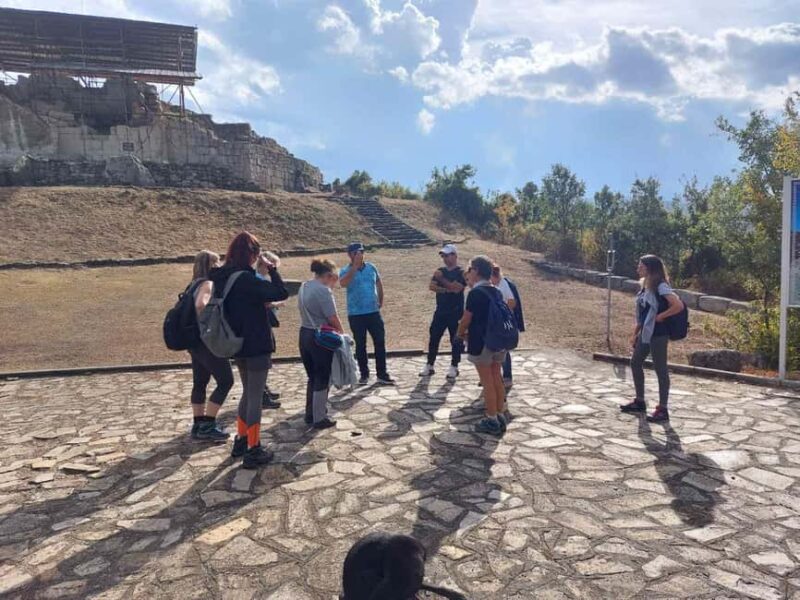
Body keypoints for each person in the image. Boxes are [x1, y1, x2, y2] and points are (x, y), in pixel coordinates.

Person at [208, 231, 288, 468]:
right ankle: (254, 448)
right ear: (252, 254)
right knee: (254, 397)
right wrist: (272, 269)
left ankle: (242, 440)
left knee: (247, 393)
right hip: (256, 343)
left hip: (237, 343)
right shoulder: (247, 279)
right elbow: (280, 292)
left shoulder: (222, 276)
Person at [620, 254, 684, 423]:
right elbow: (643, 313)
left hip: (659, 333)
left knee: (660, 369)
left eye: (641, 266)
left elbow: (678, 305)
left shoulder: (660, 285)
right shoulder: (645, 285)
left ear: (649, 268)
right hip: (646, 332)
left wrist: (661, 316)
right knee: (635, 362)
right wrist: (635, 334)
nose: (638, 269)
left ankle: (663, 409)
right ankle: (640, 401)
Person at [456, 255, 508, 436]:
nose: (467, 274)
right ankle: (500, 414)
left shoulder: (475, 293)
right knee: (496, 377)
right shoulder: (496, 290)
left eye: (469, 270)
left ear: (476, 271)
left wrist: (459, 334)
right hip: (499, 341)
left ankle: (491, 418)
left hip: (482, 342)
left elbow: (466, 318)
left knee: (487, 381)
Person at [188, 250, 233, 442]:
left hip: (194, 342)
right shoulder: (207, 284)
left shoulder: (191, 284)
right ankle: (208, 424)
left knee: (200, 381)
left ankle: (198, 423)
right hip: (207, 341)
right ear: (211, 265)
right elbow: (201, 305)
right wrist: (209, 321)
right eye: (218, 262)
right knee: (226, 380)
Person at [339, 242, 395, 385]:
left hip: (373, 312)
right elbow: (343, 283)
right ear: (350, 254)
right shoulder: (345, 270)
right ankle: (364, 374)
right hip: (356, 313)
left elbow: (378, 283)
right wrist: (354, 268)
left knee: (380, 342)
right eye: (356, 252)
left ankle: (382, 374)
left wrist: (380, 299)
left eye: (361, 252)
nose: (360, 255)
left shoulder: (371, 267)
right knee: (361, 344)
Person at [299, 258, 345, 429]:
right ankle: (319, 417)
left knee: (312, 376)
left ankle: (310, 413)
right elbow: (332, 317)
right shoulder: (323, 291)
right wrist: (342, 332)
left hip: (304, 332)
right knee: (322, 376)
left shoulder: (304, 286)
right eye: (334, 279)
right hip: (319, 337)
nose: (334, 284)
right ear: (328, 275)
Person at [420, 244, 466, 380]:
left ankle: (454, 366)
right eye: (443, 256)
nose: (445, 258)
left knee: (455, 340)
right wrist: (446, 289)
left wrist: (441, 280)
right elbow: (432, 286)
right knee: (434, 337)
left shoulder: (461, 272)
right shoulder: (440, 270)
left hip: (456, 312)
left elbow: (457, 288)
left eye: (447, 255)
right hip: (440, 311)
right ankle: (430, 364)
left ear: (455, 256)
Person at [490, 264, 525, 389]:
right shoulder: (497, 284)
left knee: (503, 350)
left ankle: (507, 376)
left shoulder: (504, 284)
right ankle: (495, 376)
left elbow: (512, 302)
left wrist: (502, 312)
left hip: (504, 321)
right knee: (497, 350)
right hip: (499, 321)